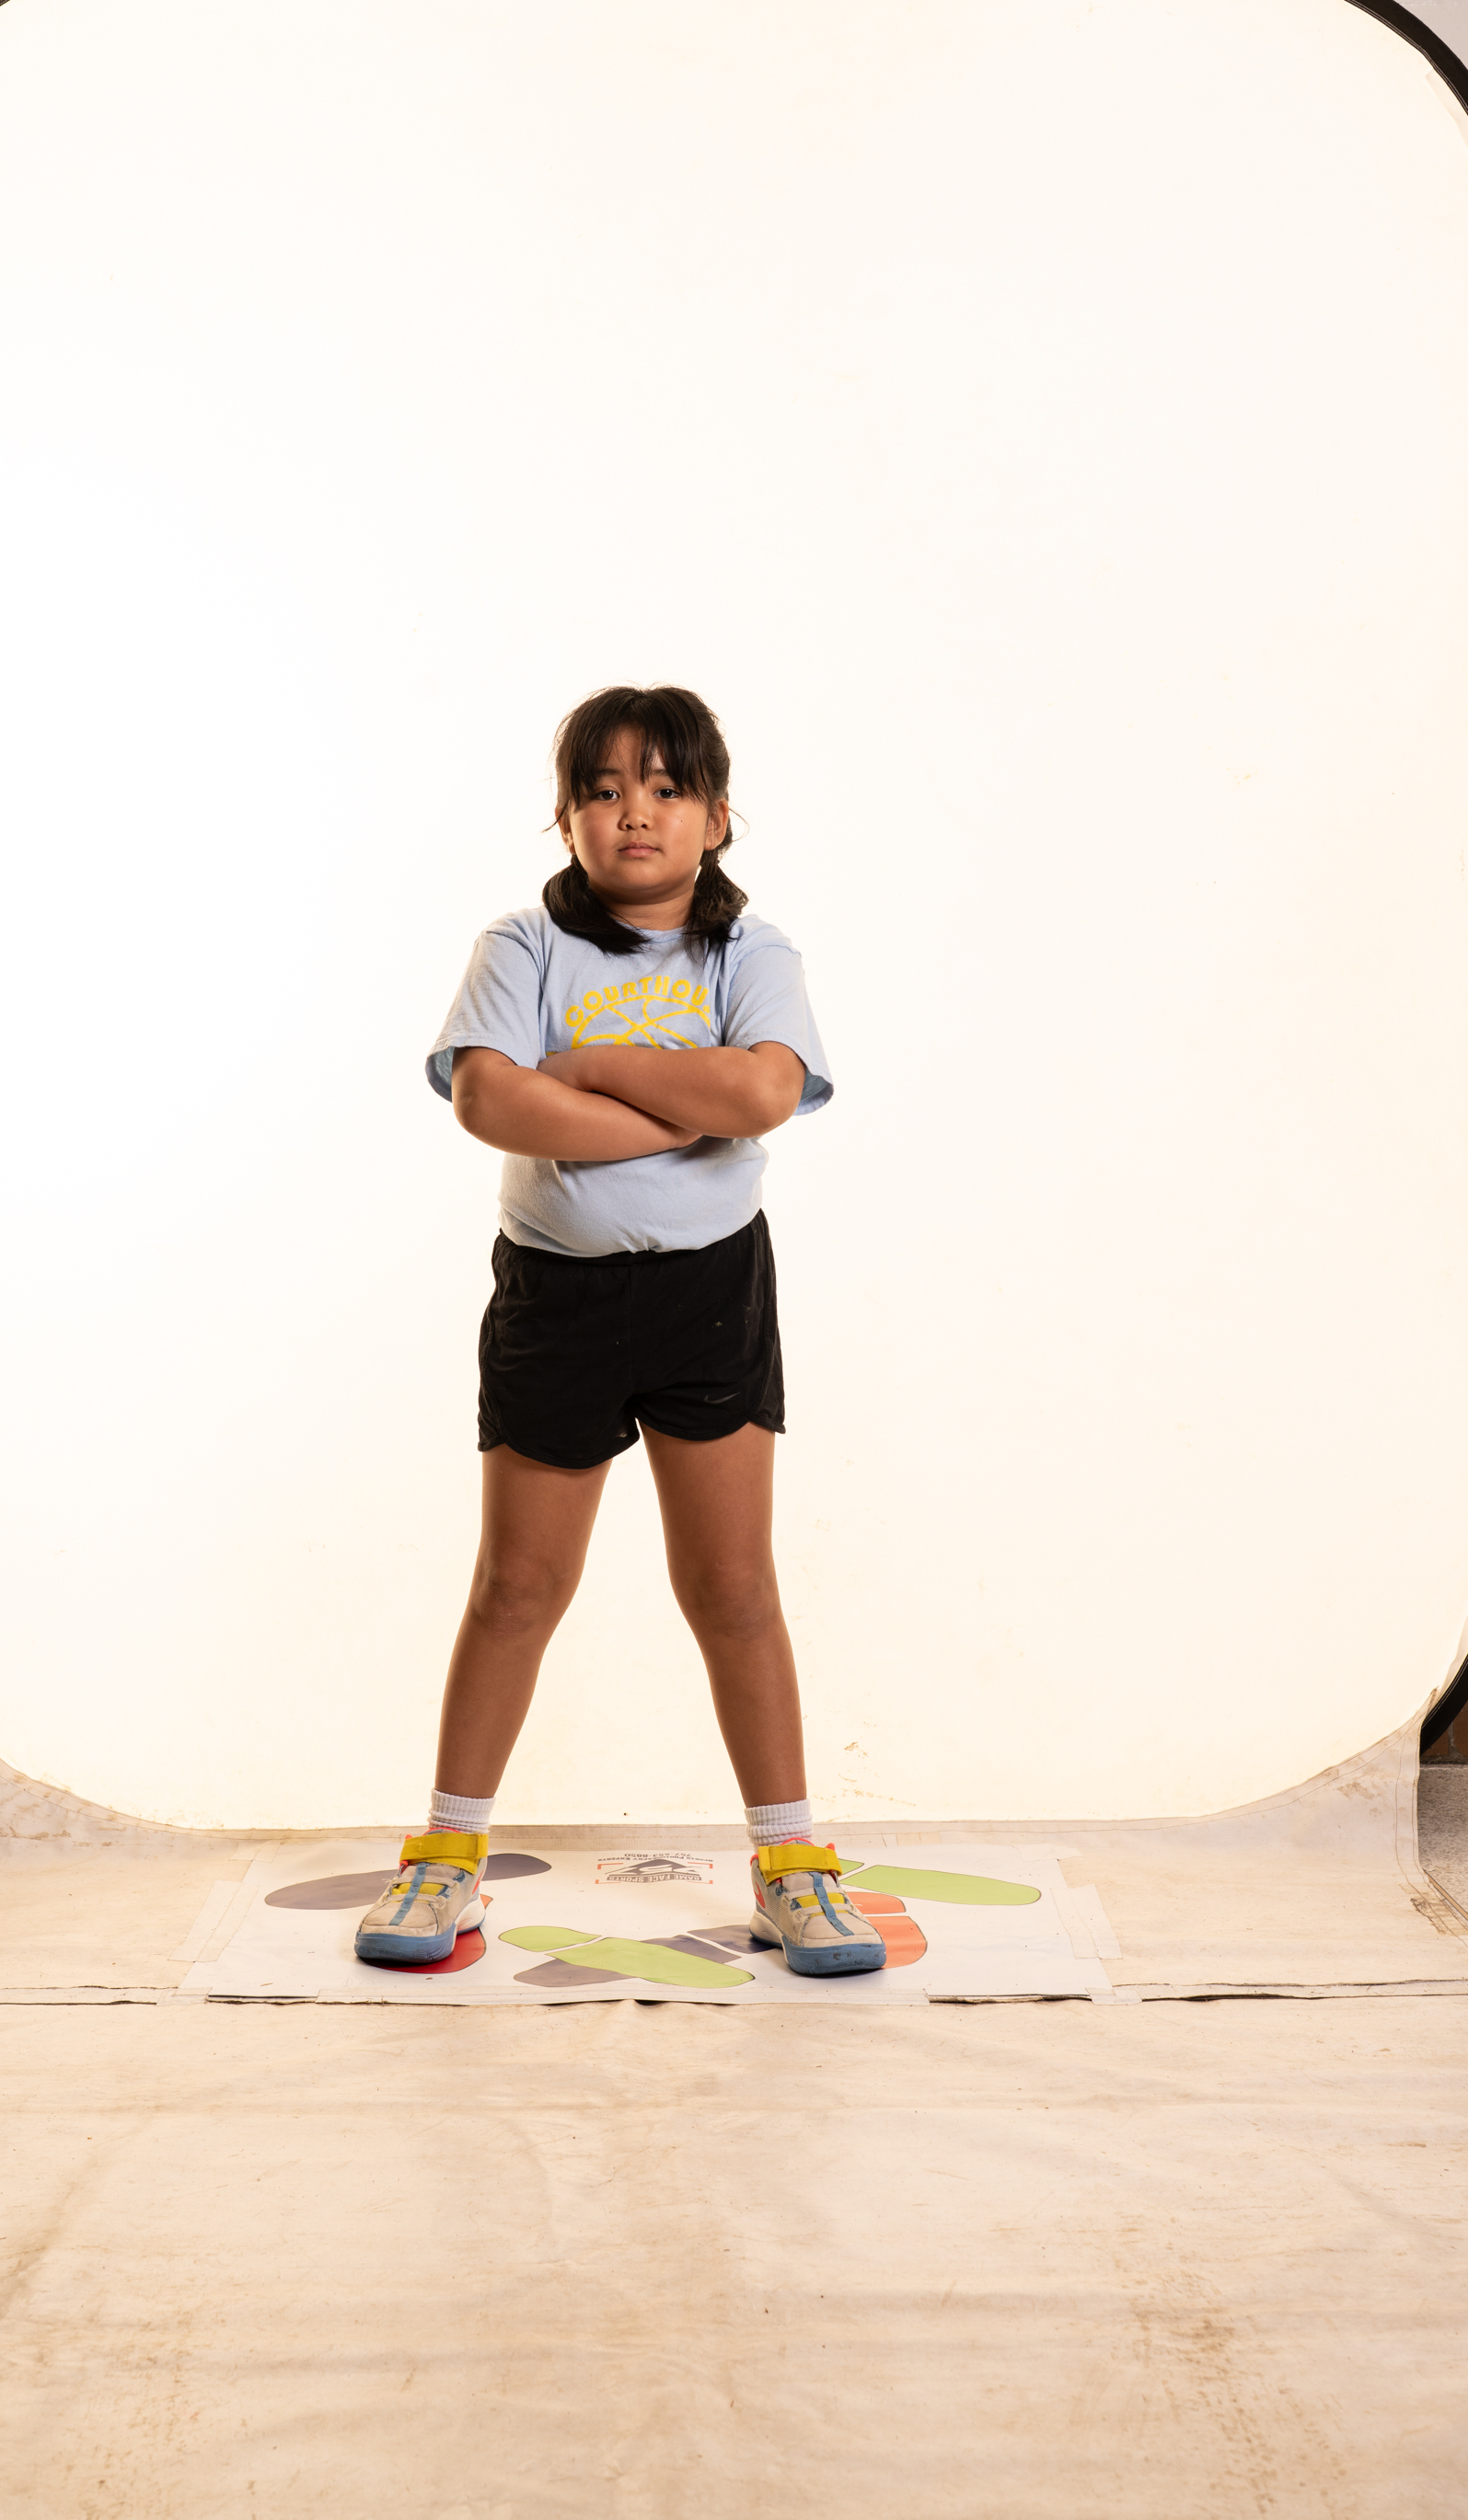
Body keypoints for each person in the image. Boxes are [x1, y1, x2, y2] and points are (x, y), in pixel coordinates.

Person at [354, 685, 884, 1978]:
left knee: (732, 1589)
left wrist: (587, 1068)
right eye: (602, 790)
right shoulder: (524, 944)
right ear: (566, 819)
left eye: (663, 787)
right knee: (517, 1586)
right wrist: (683, 1107)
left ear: (716, 816)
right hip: (559, 1299)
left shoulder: (748, 952)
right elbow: (492, 1100)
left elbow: (763, 1090)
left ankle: (792, 1864)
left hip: (711, 1296)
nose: (633, 811)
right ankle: (447, 1857)